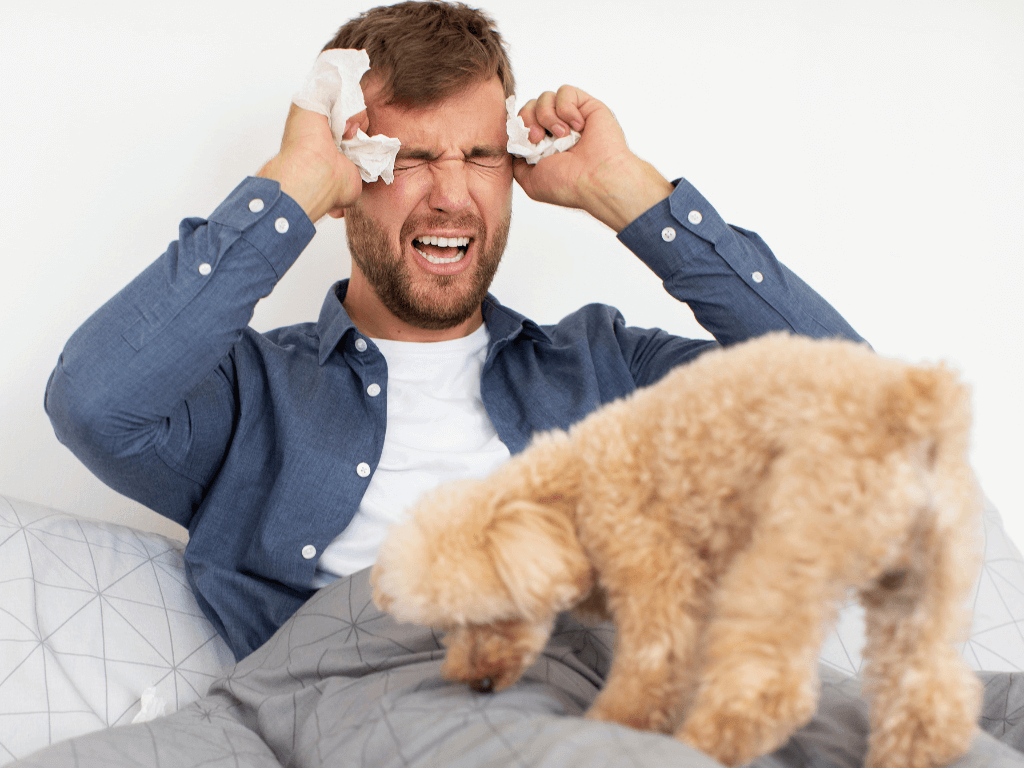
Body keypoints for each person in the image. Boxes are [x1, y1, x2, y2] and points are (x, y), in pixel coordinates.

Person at [34, 3, 1020, 767]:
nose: (450, 190)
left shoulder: (603, 365)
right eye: (409, 157)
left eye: (478, 155)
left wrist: (626, 193)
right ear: (349, 178)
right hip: (392, 672)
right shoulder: (250, 388)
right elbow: (95, 402)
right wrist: (287, 190)